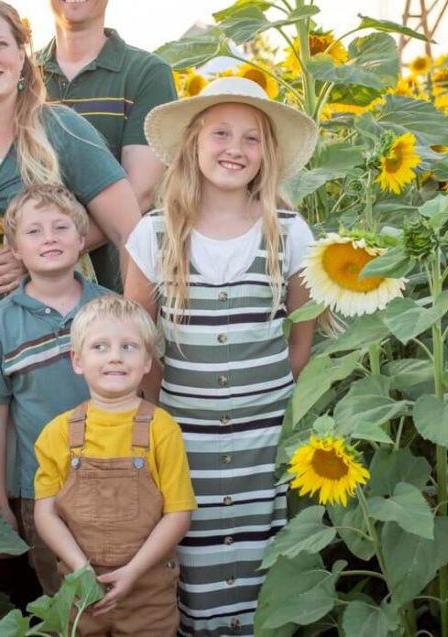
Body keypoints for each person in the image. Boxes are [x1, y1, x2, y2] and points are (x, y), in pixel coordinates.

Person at [123, 77, 318, 636]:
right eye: (221, 133)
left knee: (270, 562)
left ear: (267, 154)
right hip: (188, 436)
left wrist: (283, 390)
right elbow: (143, 341)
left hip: (268, 436)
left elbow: (302, 327)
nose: (235, 148)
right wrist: (159, 418)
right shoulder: (155, 234)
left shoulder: (288, 232)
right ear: (193, 144)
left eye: (251, 138)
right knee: (196, 558)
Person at [0, 184, 111, 595]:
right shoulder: (0, 323)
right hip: (41, 490)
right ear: (13, 250)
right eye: (34, 231)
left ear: (82, 241)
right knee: (63, 597)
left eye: (61, 227)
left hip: (115, 476)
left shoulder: (109, 310)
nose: (49, 238)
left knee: (120, 592)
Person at [34, 295, 196, 636]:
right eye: (100, 347)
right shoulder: (58, 433)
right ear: (77, 361)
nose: (115, 358)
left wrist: (134, 571)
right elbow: (45, 514)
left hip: (147, 593)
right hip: (82, 593)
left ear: (148, 361)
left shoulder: (161, 429)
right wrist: (81, 570)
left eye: (129, 346)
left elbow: (179, 513)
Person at [36, 0, 178, 290]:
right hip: (29, 290)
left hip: (115, 283)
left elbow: (139, 193)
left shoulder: (145, 73)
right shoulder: (22, 76)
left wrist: (41, 250)